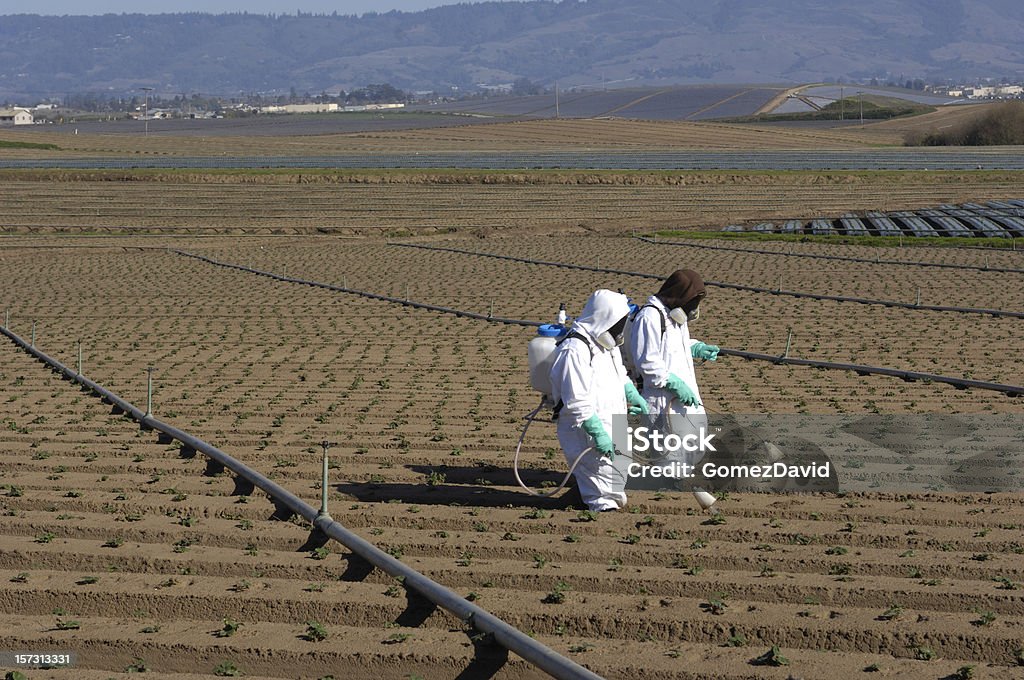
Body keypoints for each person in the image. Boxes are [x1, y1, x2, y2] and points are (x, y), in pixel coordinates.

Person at [549, 289, 649, 512]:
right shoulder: (575, 349)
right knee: (601, 478)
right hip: (586, 426)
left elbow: (620, 374)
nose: (620, 330)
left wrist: (633, 395)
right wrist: (597, 432)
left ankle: (582, 497)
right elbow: (576, 402)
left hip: (612, 417)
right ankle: (601, 513)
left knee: (618, 471)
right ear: (605, 318)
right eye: (618, 323)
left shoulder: (606, 343)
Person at [627, 269, 719, 482]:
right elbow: (648, 362)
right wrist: (673, 383)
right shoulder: (649, 317)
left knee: (691, 446)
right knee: (669, 457)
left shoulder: (675, 316)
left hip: (682, 398)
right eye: (692, 302)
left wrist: (696, 347)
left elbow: (673, 346)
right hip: (662, 400)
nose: (693, 309)